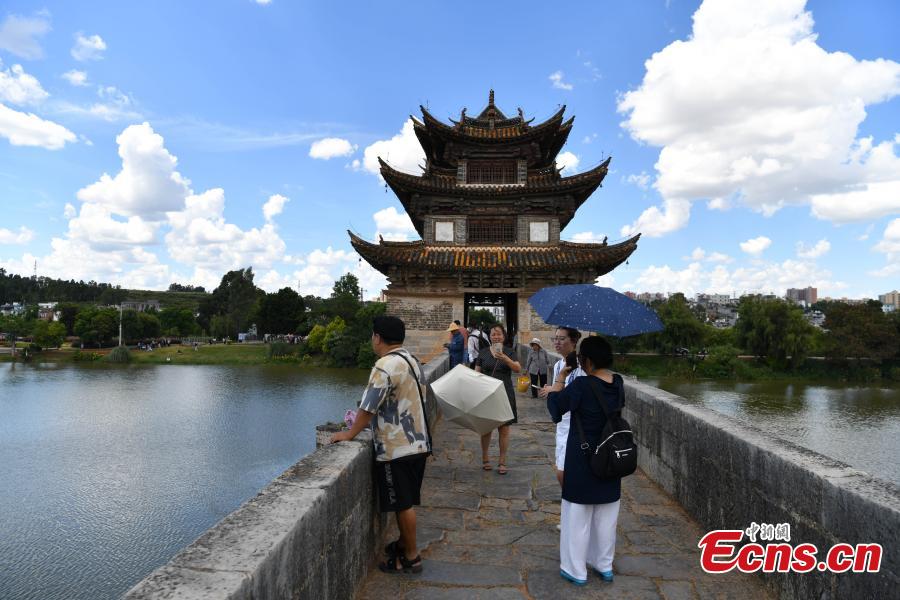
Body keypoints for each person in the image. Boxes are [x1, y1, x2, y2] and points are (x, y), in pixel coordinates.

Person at [331, 315, 430, 574]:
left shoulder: (384, 365)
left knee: (402, 504)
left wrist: (349, 434)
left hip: (397, 447)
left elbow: (368, 407)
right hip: (419, 442)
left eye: (373, 335)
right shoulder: (413, 361)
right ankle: (402, 544)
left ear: (377, 337)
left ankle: (411, 556)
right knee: (405, 501)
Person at [546, 335, 622, 586]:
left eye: (580, 358)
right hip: (609, 456)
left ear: (587, 361)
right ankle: (604, 565)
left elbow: (555, 408)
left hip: (582, 456)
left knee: (576, 516)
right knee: (606, 515)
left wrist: (560, 380)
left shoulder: (581, 386)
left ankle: (576, 569)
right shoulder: (618, 383)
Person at [539, 327, 585, 487]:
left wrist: (554, 391)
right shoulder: (559, 365)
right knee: (561, 470)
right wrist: (550, 390)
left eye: (562, 338)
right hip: (562, 424)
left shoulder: (582, 367)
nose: (557, 342)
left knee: (563, 473)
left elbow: (578, 395)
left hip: (576, 425)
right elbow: (557, 393)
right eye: (555, 338)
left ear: (573, 341)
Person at [474, 324, 522, 475]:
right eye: (493, 334)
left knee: (504, 429)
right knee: (486, 428)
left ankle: (502, 461)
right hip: (486, 394)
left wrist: (505, 358)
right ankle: (485, 458)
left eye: (499, 334)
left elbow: (517, 368)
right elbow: (477, 373)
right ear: (490, 336)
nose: (496, 337)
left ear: (504, 336)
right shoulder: (482, 353)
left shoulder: (510, 352)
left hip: (504, 393)